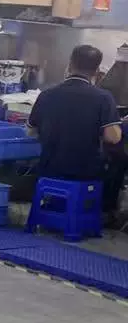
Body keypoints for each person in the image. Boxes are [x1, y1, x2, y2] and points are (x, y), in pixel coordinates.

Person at [28, 45, 125, 216]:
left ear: (69, 65)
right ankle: (105, 213)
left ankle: (53, 210)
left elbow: (31, 132)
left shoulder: (46, 95)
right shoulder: (103, 98)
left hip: (49, 168)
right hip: (85, 171)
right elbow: (113, 138)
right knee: (119, 161)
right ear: (97, 71)